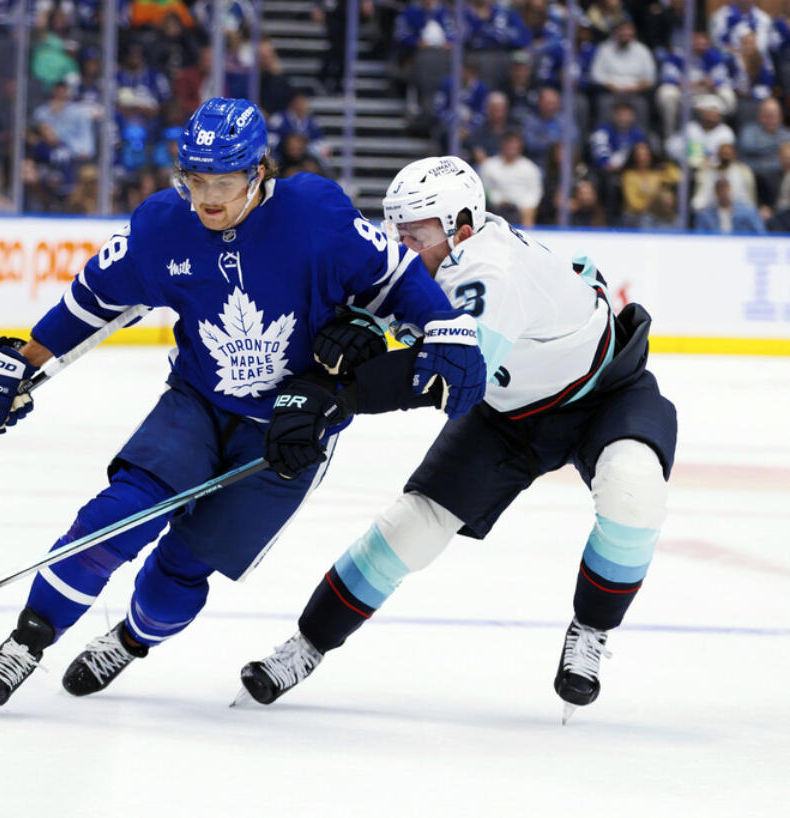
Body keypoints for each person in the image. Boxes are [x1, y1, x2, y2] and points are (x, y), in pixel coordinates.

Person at [0, 99, 486, 708]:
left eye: (225, 181)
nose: (208, 197)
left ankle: (131, 640)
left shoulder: (316, 214)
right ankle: (26, 642)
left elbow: (397, 277)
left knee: (184, 566)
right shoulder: (162, 225)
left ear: (259, 171)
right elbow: (92, 296)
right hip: (198, 402)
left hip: (292, 423)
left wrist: (450, 328)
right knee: (115, 516)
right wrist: (25, 359)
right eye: (196, 180)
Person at [239, 156, 678, 725]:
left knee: (633, 490)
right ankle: (307, 645)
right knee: (410, 527)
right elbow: (406, 326)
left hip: (604, 394)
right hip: (507, 412)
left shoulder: (488, 268)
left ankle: (592, 628)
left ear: (461, 227)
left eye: (415, 235)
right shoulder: (438, 260)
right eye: (396, 233)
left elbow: (449, 373)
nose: (403, 247)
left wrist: (340, 396)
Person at [478, 131, 543, 227]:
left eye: (514, 145)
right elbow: (484, 190)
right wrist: (497, 200)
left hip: (521, 208)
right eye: (509, 144)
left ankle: (527, 237)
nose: (511, 148)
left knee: (529, 212)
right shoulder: (489, 166)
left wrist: (525, 206)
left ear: (520, 147)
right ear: (503, 145)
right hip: (495, 206)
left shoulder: (529, 168)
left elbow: (534, 192)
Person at [696, 178, 766, 233]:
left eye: (725, 189)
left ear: (730, 190)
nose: (723, 193)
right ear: (715, 192)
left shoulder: (748, 212)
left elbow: (760, 233)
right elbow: (700, 237)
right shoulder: (706, 216)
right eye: (720, 190)